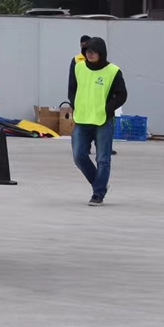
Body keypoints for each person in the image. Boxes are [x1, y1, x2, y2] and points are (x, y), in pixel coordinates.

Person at [65, 36, 126, 205]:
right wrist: (74, 103)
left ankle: (98, 194)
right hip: (82, 119)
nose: (90, 54)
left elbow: (122, 95)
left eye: (93, 52)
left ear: (102, 53)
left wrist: (107, 108)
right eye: (87, 51)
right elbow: (72, 88)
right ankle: (99, 184)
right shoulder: (79, 68)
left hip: (102, 121)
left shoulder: (113, 71)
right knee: (79, 156)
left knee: (103, 159)